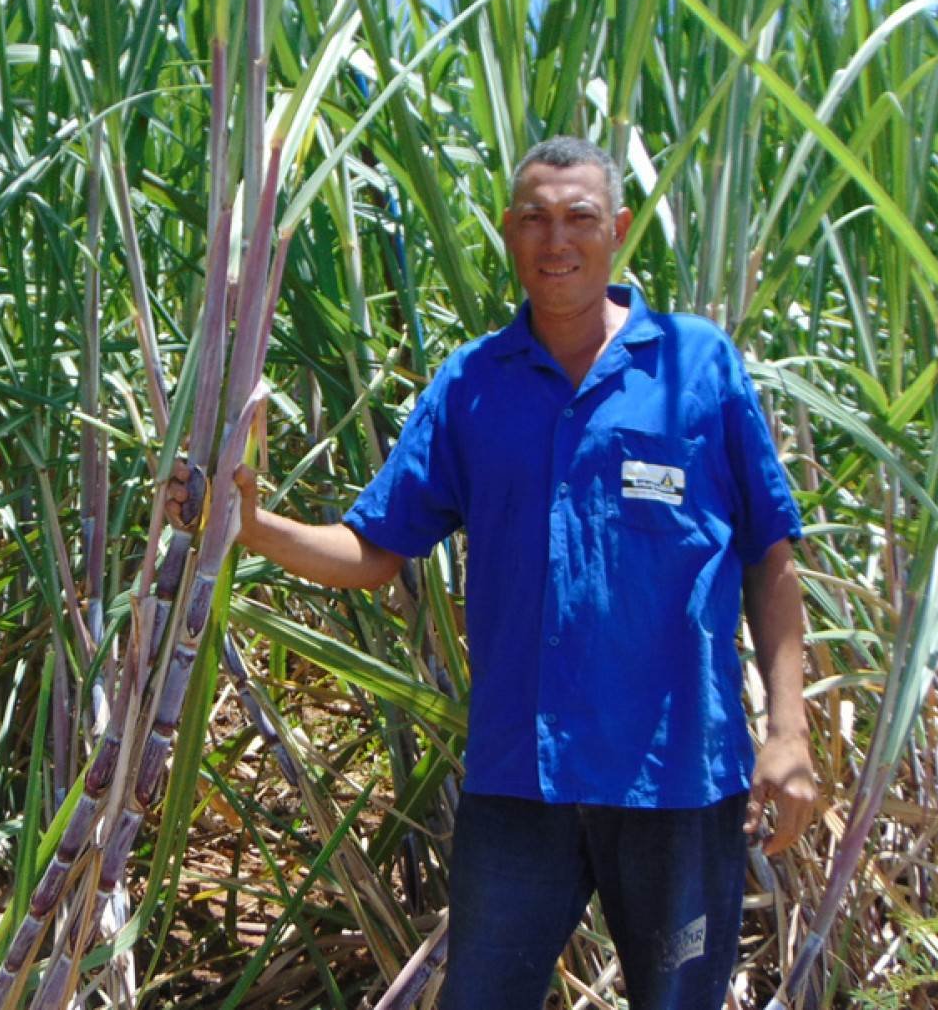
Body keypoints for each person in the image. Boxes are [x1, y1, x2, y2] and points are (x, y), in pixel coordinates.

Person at [175, 136, 816, 1010]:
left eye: (580, 218)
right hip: (523, 777)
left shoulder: (696, 368)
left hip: (675, 777)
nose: (558, 239)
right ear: (510, 237)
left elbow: (769, 556)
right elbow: (372, 551)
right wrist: (248, 525)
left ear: (618, 230)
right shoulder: (472, 385)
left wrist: (790, 733)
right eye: (535, 219)